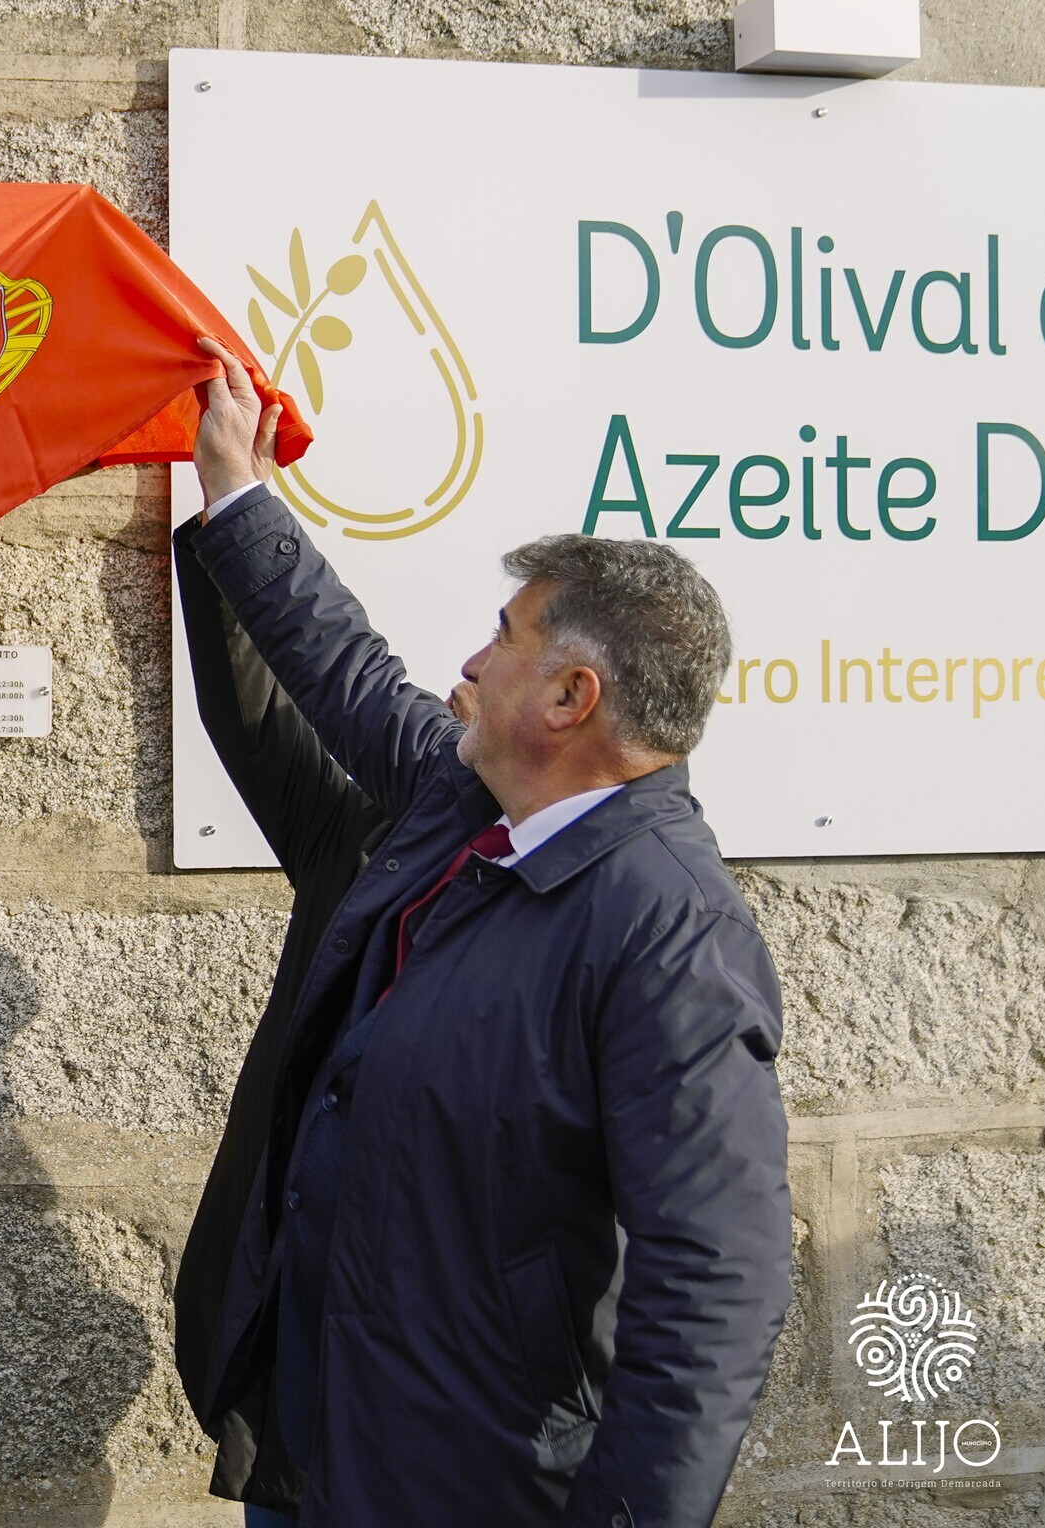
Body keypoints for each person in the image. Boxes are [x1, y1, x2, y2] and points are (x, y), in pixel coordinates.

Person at [178, 340, 791, 1527]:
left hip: (467, 1486)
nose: (469, 661)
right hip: (319, 1448)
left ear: (570, 698)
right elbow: (344, 670)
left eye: (503, 637)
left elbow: (714, 1288)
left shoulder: (668, 930)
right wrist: (237, 494)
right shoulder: (468, 799)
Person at [170, 512, 474, 1523]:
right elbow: (255, 713)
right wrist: (222, 513)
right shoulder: (360, 835)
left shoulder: (581, 908)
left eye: (501, 654)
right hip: (296, 1384)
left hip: (434, 1405)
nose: (467, 673)